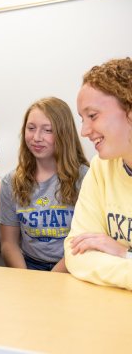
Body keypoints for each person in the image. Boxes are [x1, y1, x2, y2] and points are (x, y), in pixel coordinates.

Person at [0, 97, 89, 272]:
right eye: (31, 128)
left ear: (64, 134)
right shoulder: (11, 182)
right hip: (28, 266)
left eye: (48, 130)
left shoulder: (85, 178)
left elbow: (85, 244)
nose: (36, 137)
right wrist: (26, 278)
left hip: (72, 266)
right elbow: (9, 244)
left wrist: (51, 280)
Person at [65, 58, 132, 289]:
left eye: (92, 116)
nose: (84, 131)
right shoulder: (101, 168)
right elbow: (76, 253)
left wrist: (125, 254)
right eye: (82, 119)